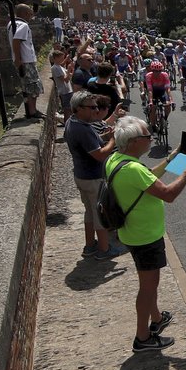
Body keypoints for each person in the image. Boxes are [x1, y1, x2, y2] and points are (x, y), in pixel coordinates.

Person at [105, 116, 186, 351]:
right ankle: (143, 338)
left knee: (149, 282)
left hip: (133, 232)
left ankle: (157, 318)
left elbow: (150, 176)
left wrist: (176, 157)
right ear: (133, 142)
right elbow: (168, 194)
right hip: (144, 236)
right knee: (148, 287)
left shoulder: (118, 159)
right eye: (147, 136)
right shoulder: (132, 169)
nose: (151, 139)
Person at [64, 90, 122, 260]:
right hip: (93, 177)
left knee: (89, 213)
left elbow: (92, 142)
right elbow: (100, 154)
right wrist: (112, 140)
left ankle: (90, 245)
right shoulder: (83, 128)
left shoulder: (72, 122)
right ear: (78, 108)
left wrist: (105, 136)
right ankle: (104, 249)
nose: (96, 111)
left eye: (97, 107)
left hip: (81, 175)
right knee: (99, 214)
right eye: (92, 107)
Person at [9, 3, 44, 120]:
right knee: (33, 86)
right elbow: (16, 41)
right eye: (30, 14)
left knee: (27, 86)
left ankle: (31, 110)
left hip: (22, 60)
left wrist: (17, 59)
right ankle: (32, 111)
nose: (31, 16)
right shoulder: (23, 25)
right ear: (24, 14)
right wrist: (19, 60)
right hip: (27, 60)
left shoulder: (11, 24)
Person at [51, 50, 74, 126]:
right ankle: (67, 124)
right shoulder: (55, 68)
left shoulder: (59, 67)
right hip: (64, 92)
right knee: (67, 110)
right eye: (61, 58)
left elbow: (69, 76)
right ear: (55, 58)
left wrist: (70, 70)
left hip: (68, 91)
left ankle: (68, 123)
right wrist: (69, 69)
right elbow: (66, 80)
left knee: (69, 109)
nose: (62, 59)